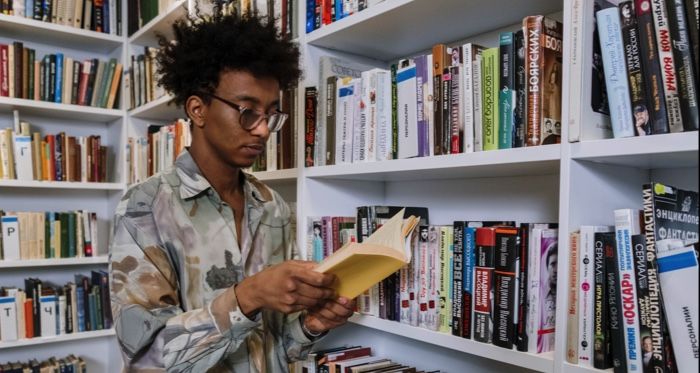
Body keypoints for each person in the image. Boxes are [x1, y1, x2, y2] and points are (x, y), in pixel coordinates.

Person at [109, 10, 354, 372]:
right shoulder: (144, 206)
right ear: (198, 109)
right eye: (247, 111)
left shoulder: (273, 207)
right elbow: (147, 357)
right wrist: (248, 295)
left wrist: (311, 325)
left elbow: (274, 345)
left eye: (270, 114)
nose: (262, 131)